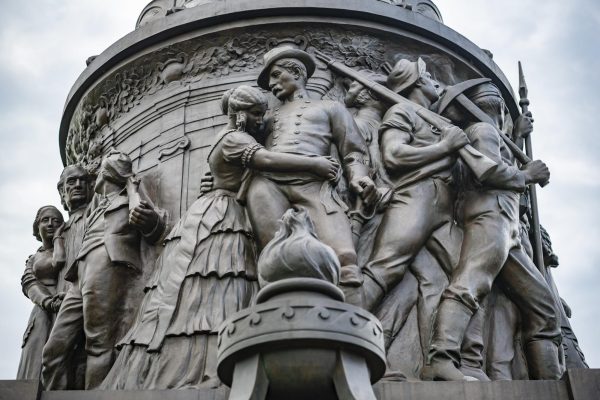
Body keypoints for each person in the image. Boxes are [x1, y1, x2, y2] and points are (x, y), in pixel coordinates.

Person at [101, 85, 340, 390]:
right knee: (218, 286)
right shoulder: (234, 138)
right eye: (255, 114)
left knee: (217, 287)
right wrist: (315, 163)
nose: (260, 120)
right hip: (222, 217)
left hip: (213, 209)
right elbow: (265, 161)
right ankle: (211, 366)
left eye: (262, 114)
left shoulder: (226, 138)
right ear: (239, 115)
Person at [424, 82, 561, 381]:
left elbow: (497, 159)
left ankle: (551, 381)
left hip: (507, 224)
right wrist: (527, 175)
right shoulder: (483, 132)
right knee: (470, 284)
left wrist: (517, 137)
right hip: (491, 216)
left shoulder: (492, 134)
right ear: (500, 110)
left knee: (543, 306)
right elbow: (485, 171)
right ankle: (441, 359)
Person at [246, 45, 378, 287]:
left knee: (344, 258)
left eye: (276, 75)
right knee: (276, 257)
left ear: (297, 72)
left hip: (316, 185)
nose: (272, 85)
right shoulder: (266, 118)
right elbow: (241, 148)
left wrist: (359, 177)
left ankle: (348, 320)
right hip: (268, 186)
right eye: (269, 81)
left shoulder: (330, 108)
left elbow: (353, 151)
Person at [42, 152, 166, 389]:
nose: (90, 178)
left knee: (98, 344)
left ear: (108, 174)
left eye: (99, 171)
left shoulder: (130, 200)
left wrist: (131, 188)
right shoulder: (95, 206)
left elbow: (155, 227)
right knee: (53, 348)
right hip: (79, 275)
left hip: (107, 263)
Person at [353, 58, 468, 311]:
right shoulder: (402, 111)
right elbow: (394, 155)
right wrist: (445, 147)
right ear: (417, 82)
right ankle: (341, 326)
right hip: (416, 196)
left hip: (445, 206)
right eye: (429, 78)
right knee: (385, 268)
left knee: (464, 275)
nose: (436, 84)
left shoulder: (434, 121)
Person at [17, 206, 65, 380]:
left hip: (68, 305)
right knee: (35, 360)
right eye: (45, 220)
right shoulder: (33, 259)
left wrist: (59, 240)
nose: (51, 224)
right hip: (43, 310)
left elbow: (60, 262)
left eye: (57, 221)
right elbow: (29, 283)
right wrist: (48, 302)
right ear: (37, 226)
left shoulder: (70, 246)